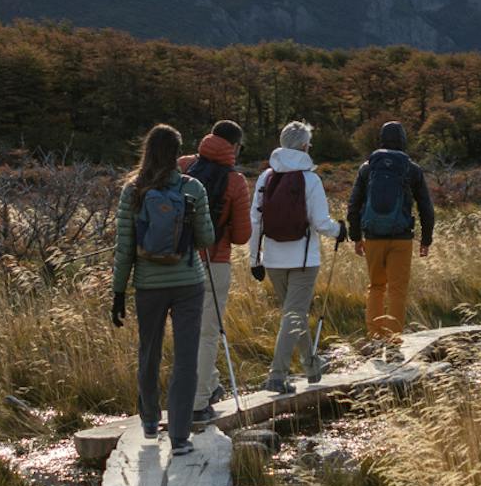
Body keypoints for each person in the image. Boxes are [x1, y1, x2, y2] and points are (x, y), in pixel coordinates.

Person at [110, 123, 216, 452]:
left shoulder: (133, 190)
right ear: (177, 152)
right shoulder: (192, 187)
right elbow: (206, 239)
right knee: (185, 359)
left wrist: (118, 292)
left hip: (148, 285)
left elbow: (124, 246)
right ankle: (180, 437)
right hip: (188, 282)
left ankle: (149, 421)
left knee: (149, 352)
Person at [248, 120, 346, 391]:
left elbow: (255, 221)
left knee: (295, 314)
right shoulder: (310, 179)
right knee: (293, 316)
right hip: (304, 261)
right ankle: (276, 376)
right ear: (304, 146)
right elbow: (320, 223)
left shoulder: (265, 177)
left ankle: (311, 365)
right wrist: (340, 230)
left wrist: (254, 260)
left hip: (273, 260)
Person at [178, 119, 252, 405]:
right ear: (234, 146)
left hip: (176, 261)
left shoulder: (183, 165)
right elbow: (242, 236)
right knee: (207, 333)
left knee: (186, 331)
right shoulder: (235, 180)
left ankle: (209, 383)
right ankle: (198, 399)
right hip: (214, 261)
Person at [345, 120, 435, 352]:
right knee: (397, 289)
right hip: (402, 238)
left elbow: (353, 204)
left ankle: (374, 338)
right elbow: (425, 206)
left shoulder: (367, 168)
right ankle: (394, 340)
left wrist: (356, 237)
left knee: (376, 286)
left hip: (373, 237)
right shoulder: (411, 168)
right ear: (403, 141)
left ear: (381, 140)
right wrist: (426, 240)